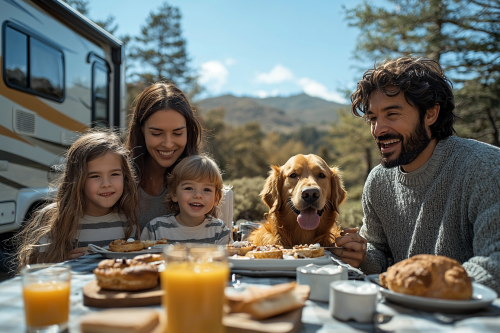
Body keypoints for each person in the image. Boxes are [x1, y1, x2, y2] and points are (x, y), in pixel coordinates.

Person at [338, 56, 500, 293]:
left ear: (430, 114)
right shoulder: (378, 181)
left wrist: (421, 292)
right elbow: (378, 253)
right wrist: (360, 255)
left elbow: (493, 266)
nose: (378, 129)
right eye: (373, 118)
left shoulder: (485, 167)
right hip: (402, 314)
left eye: (392, 114)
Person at [14, 130, 139, 268]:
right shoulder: (53, 219)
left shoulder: (127, 220)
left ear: (125, 176)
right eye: (94, 176)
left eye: (114, 174)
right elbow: (33, 270)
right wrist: (63, 262)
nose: (106, 184)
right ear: (77, 180)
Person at [126, 82, 203, 232]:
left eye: (177, 133)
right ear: (141, 131)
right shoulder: (119, 178)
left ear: (188, 132)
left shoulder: (201, 182)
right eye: (156, 133)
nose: (168, 144)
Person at [140, 155, 232, 245]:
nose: (198, 195)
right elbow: (142, 258)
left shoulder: (220, 231)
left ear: (216, 198)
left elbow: (226, 259)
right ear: (174, 194)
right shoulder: (155, 229)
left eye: (206, 189)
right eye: (189, 188)